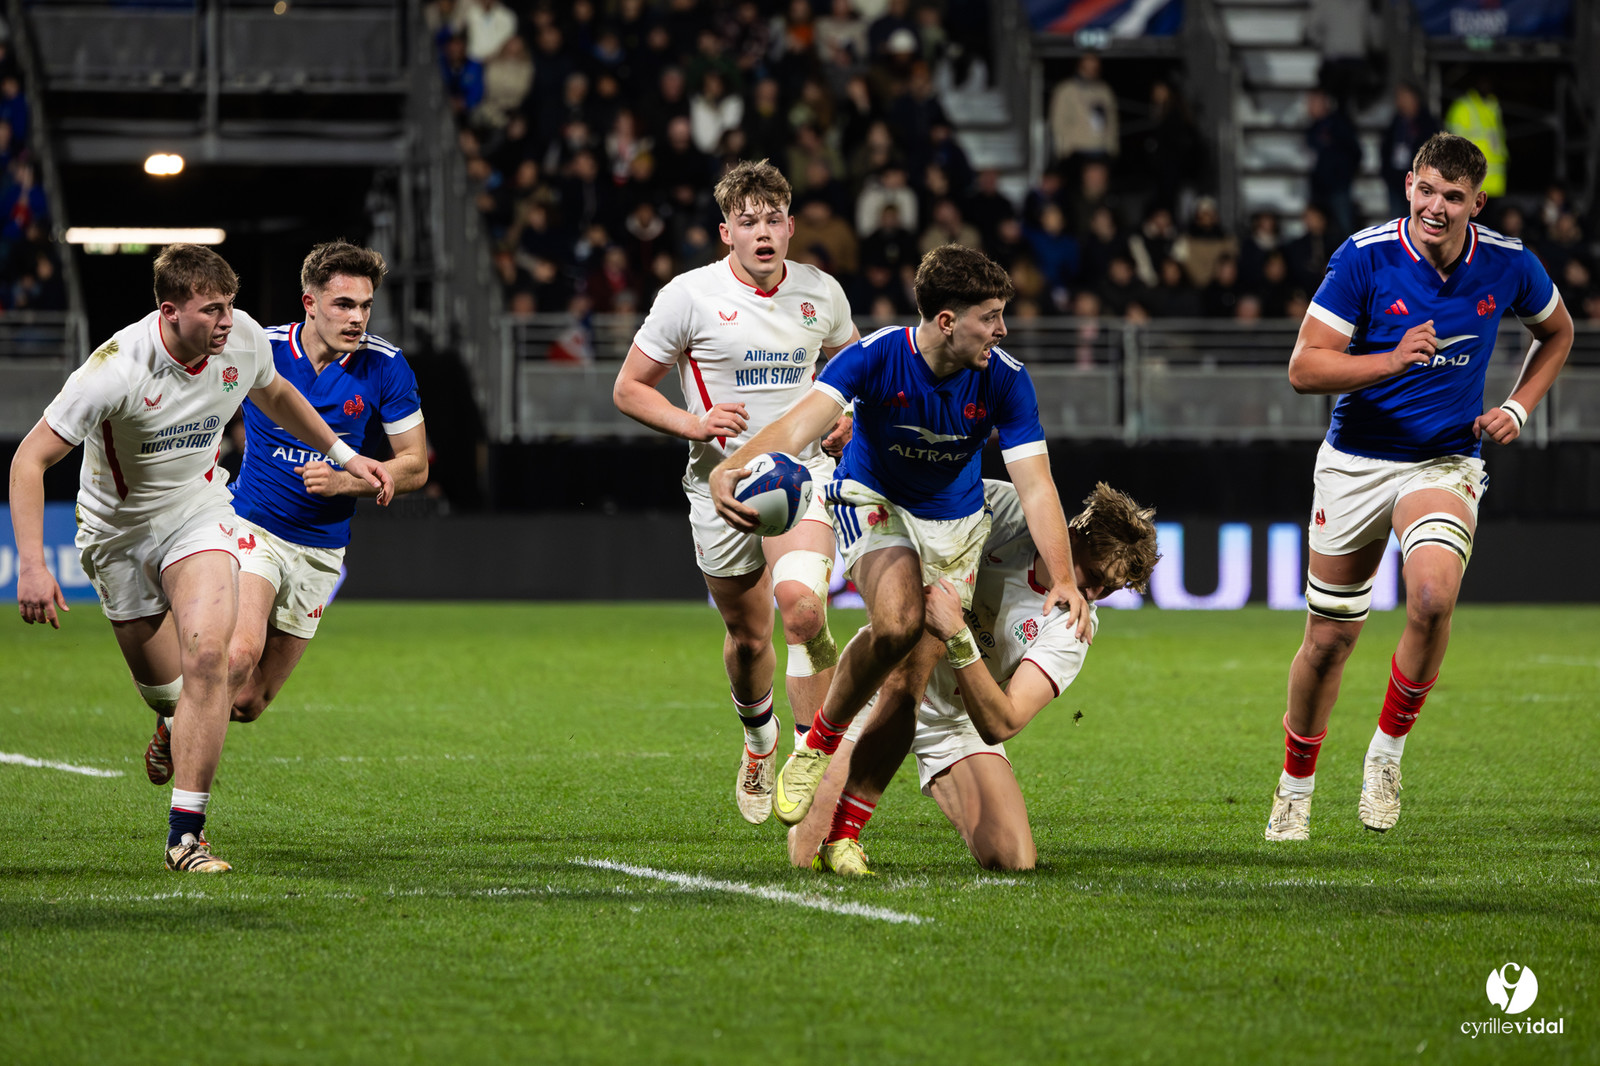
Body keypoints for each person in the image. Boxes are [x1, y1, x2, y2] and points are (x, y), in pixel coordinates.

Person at [10, 244, 394, 873]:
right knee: (174, 694)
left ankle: (185, 837)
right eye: (212, 310)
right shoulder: (114, 369)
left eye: (230, 306)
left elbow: (275, 393)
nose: (227, 321)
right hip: (118, 535)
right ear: (169, 312)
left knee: (213, 657)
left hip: (200, 510)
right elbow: (29, 459)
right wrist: (32, 562)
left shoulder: (239, 338)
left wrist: (348, 457)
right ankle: (169, 724)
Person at [708, 243, 1091, 834]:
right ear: (946, 321)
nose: (1002, 329)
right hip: (872, 499)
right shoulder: (875, 357)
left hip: (956, 527)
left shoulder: (1008, 382)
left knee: (907, 687)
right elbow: (796, 426)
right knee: (898, 620)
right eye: (989, 317)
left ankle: (846, 831)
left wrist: (1064, 576)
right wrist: (731, 466)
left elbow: (1036, 486)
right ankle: (818, 743)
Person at [1265, 133, 1573, 841]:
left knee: (1431, 598)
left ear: (1476, 203)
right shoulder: (1363, 256)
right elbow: (1304, 368)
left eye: (1454, 197)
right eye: (1427, 190)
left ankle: (1386, 754)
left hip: (1443, 462)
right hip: (1355, 463)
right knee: (1328, 643)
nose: (1437, 207)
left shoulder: (1509, 261)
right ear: (1409, 186)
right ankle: (1295, 787)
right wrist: (1390, 359)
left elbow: (1558, 333)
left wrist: (1518, 406)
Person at [612, 160, 860, 825]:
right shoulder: (688, 296)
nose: (763, 233)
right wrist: (693, 423)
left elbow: (852, 371)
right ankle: (759, 742)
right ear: (726, 232)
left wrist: (845, 420)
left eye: (773, 219)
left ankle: (816, 765)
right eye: (747, 222)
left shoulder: (822, 292)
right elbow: (629, 387)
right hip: (718, 486)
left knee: (802, 611)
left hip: (802, 477)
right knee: (749, 640)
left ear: (790, 225)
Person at [137, 242, 427, 786]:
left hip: (322, 549)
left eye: (365, 305)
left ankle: (176, 719)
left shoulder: (386, 366)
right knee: (238, 654)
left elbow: (414, 466)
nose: (357, 317)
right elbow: (180, 376)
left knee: (248, 701)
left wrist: (347, 483)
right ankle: (188, 818)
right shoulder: (256, 347)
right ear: (309, 303)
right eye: (343, 304)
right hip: (252, 527)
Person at [792, 480, 1159, 874]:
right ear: (1073, 532)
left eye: (1109, 589)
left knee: (1014, 858)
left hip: (955, 717)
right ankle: (814, 741)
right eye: (1093, 574)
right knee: (805, 857)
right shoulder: (1003, 509)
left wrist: (957, 635)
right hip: (888, 680)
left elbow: (1003, 720)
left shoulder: (1074, 626)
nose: (1092, 592)